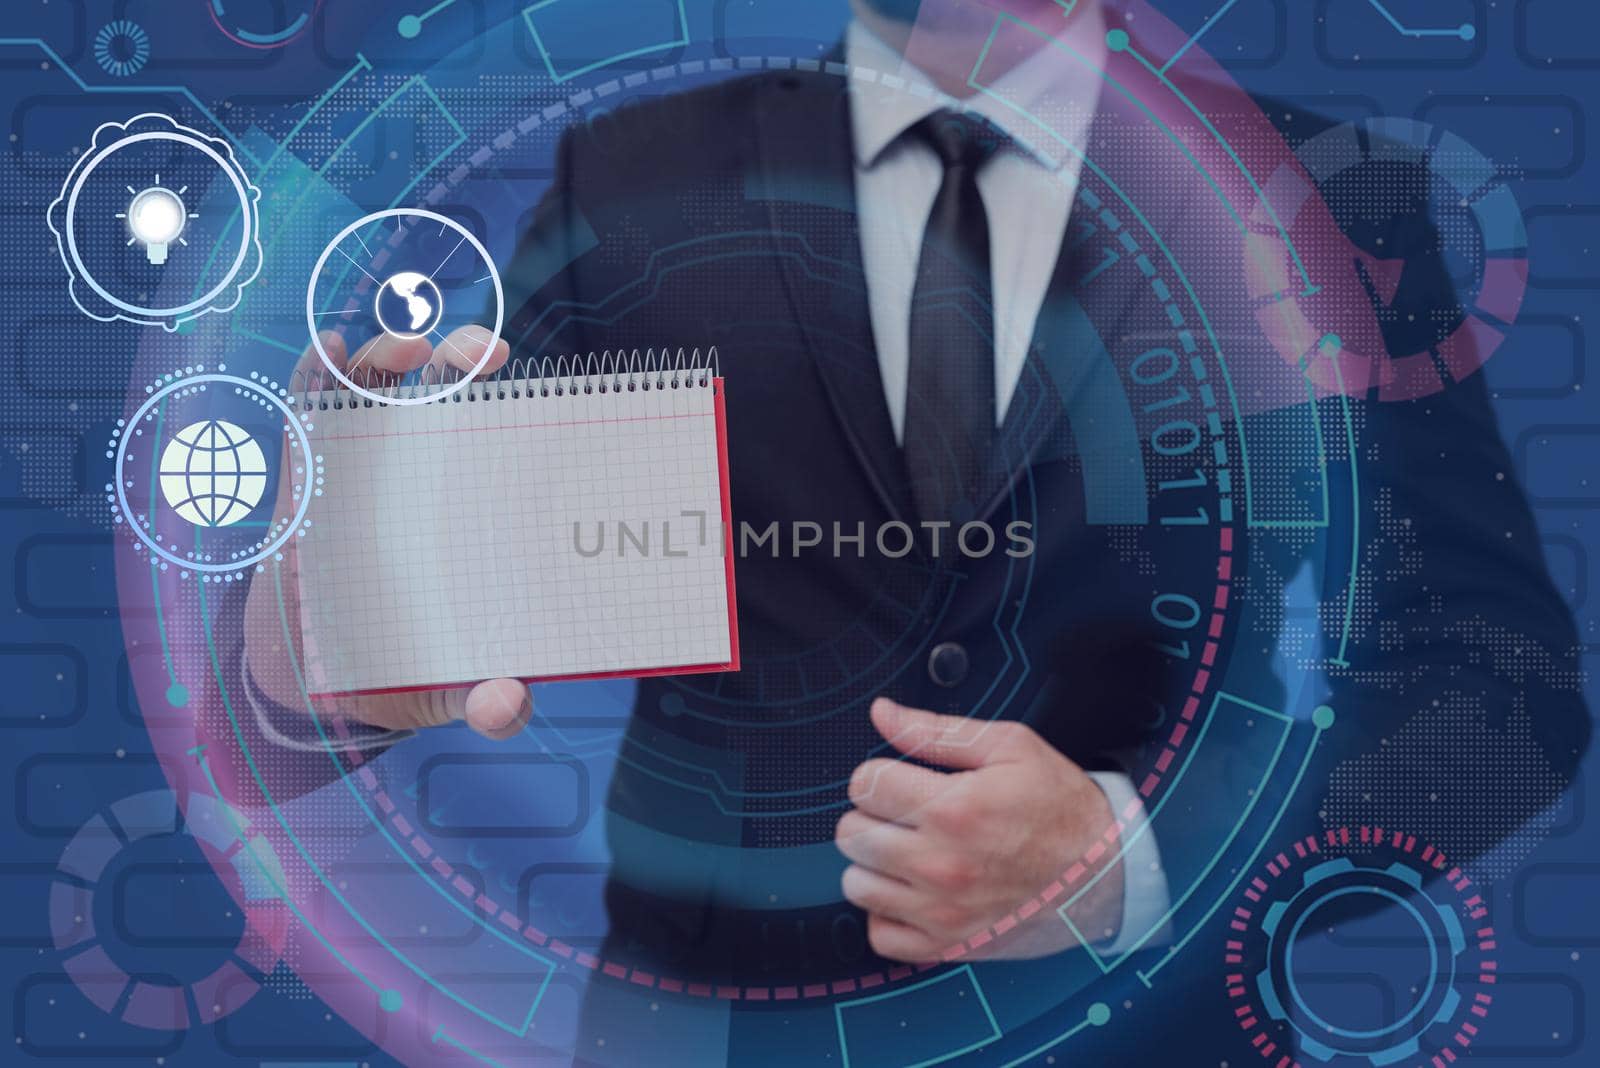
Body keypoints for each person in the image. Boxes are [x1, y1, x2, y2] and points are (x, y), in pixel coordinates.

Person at [242, 0, 1589, 1061]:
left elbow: (1503, 698)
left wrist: (1137, 859)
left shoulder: (1321, 204)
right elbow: (385, 644)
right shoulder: (633, 179)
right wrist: (323, 642)